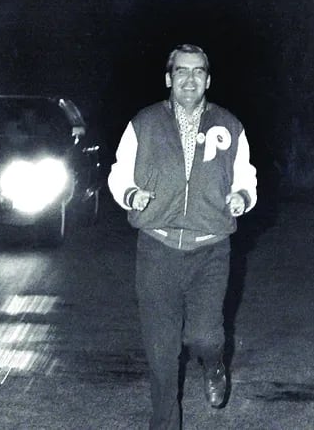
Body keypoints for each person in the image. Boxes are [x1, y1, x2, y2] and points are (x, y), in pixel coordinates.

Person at [108, 43, 257, 429]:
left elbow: (246, 177)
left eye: (197, 72)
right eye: (181, 71)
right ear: (168, 78)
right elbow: (118, 173)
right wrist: (131, 194)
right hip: (157, 247)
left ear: (208, 79)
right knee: (161, 352)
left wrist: (241, 196)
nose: (189, 79)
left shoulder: (230, 125)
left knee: (204, 336)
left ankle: (214, 365)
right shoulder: (144, 122)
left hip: (210, 249)